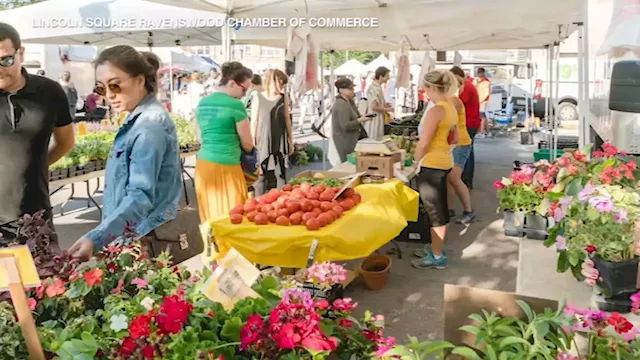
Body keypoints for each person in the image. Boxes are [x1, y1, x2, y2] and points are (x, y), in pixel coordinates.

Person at [68, 46, 182, 261]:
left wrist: (96, 238)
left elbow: (140, 196)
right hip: (131, 235)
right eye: (102, 88)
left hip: (142, 239)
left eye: (116, 85)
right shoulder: (140, 119)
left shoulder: (149, 126)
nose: (110, 95)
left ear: (140, 80)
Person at [0, 22, 75, 242]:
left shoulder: (49, 92)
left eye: (5, 60)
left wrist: (34, 167)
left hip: (37, 220)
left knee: (45, 276)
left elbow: (65, 142)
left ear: (21, 53)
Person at [195, 62, 254, 257]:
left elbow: (199, 137)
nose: (244, 95)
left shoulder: (203, 102)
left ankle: (211, 259)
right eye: (244, 89)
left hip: (204, 166)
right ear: (232, 83)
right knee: (232, 214)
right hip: (227, 166)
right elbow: (247, 143)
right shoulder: (235, 105)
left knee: (210, 216)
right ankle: (231, 262)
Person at [411, 69, 459, 270]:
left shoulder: (435, 110)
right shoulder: (451, 107)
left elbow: (424, 142)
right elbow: (454, 138)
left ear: (432, 88)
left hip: (432, 164)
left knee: (435, 213)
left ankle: (437, 256)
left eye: (426, 89)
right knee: (439, 209)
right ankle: (435, 248)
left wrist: (414, 162)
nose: (425, 93)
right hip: (445, 161)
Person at [250, 69, 294, 195]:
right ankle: (259, 203)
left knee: (281, 173)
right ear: (273, 81)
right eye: (281, 83)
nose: (282, 87)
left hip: (280, 137)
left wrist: (291, 140)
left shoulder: (283, 98)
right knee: (261, 174)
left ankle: (282, 200)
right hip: (263, 138)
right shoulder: (258, 97)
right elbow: (254, 120)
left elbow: (287, 119)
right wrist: (253, 139)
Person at [447, 67, 476, 224]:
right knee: (449, 178)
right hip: (454, 144)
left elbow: (447, 123)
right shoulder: (450, 99)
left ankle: (468, 210)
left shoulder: (453, 101)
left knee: (454, 178)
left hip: (461, 143)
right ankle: (449, 209)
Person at [453, 68, 482, 190]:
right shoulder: (469, 86)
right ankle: (466, 181)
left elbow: (459, 103)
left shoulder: (467, 87)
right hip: (471, 122)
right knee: (468, 152)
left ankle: (466, 181)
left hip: (469, 123)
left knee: (466, 153)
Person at [331, 78, 372, 163]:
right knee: (349, 164)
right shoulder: (341, 104)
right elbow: (345, 125)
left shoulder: (349, 101)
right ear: (341, 90)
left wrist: (362, 118)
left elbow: (356, 117)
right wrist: (360, 120)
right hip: (346, 140)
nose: (352, 90)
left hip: (354, 138)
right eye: (350, 88)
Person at [365, 66, 393, 140]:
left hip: (378, 119)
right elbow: (373, 107)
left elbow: (377, 104)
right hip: (374, 120)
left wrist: (385, 105)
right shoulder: (374, 88)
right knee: (374, 140)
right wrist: (386, 109)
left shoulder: (377, 87)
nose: (388, 78)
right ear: (381, 76)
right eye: (387, 76)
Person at [475, 67, 491, 138]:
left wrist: (480, 100)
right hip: (483, 101)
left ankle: (482, 132)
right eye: (478, 72)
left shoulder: (485, 81)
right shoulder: (482, 81)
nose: (478, 74)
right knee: (484, 116)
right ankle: (488, 131)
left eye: (479, 72)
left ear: (483, 73)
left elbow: (485, 93)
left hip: (482, 101)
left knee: (482, 116)